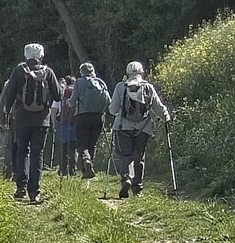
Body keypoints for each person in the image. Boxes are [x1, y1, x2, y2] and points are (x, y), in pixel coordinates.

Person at [0, 41, 65, 203]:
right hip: (42, 120)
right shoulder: (48, 72)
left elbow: (10, 94)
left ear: (26, 55)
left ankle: (21, 187)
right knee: (37, 153)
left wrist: (6, 114)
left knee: (22, 151)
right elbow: (58, 96)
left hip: (21, 118)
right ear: (41, 56)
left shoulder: (19, 71)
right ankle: (34, 191)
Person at [113, 61, 174, 197]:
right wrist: (166, 118)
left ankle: (126, 179)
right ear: (141, 72)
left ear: (127, 73)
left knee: (125, 155)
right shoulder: (148, 87)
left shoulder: (120, 87)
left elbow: (113, 110)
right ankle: (137, 188)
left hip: (123, 126)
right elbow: (158, 106)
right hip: (144, 128)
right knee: (139, 157)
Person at [64, 62, 111, 180]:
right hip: (99, 116)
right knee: (92, 143)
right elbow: (109, 102)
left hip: (83, 116)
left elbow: (73, 101)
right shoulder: (101, 82)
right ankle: (89, 169)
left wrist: (68, 102)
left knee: (82, 143)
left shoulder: (79, 82)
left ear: (82, 72)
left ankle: (86, 160)